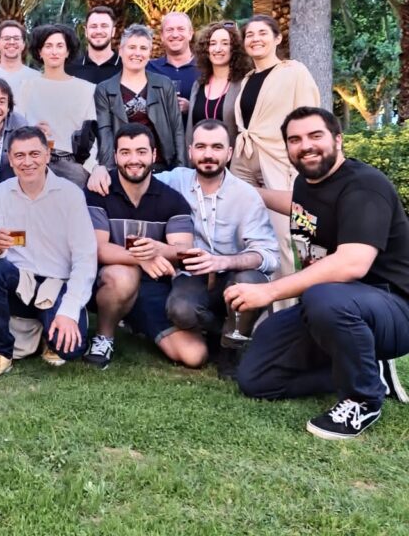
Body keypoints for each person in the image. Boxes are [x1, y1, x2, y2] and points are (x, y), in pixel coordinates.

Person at [228, 108, 409, 439]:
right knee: (257, 379)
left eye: (315, 136)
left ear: (338, 139)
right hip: (334, 306)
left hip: (392, 308)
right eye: (295, 139)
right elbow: (301, 207)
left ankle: (363, 398)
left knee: (322, 296)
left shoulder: (365, 186)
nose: (306, 146)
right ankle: (367, 368)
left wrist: (268, 291)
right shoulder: (306, 183)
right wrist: (247, 192)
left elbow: (352, 263)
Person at [0, 127, 98, 384]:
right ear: (9, 159)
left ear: (47, 155)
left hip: (56, 284)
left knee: (69, 349)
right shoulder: (0, 193)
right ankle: (1, 351)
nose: (27, 162)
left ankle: (52, 329)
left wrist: (68, 311)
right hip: (20, 283)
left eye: (34, 154)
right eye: (19, 155)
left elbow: (85, 258)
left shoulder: (70, 194)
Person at [156, 120, 280, 377]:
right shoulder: (176, 180)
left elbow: (268, 256)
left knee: (249, 282)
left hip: (234, 274)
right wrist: (101, 172)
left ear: (229, 153)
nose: (208, 154)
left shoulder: (246, 195)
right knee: (180, 310)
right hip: (193, 275)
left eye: (217, 147)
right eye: (201, 147)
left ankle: (231, 350)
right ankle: (225, 333)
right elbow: (136, 177)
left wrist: (222, 261)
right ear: (190, 151)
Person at [83, 124, 201, 370]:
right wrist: (141, 258)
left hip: (152, 287)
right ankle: (104, 337)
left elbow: (183, 250)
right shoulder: (98, 192)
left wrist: (157, 250)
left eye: (141, 152)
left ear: (154, 155)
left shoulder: (172, 200)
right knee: (124, 275)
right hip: (107, 281)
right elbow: (98, 248)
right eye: (125, 152)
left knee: (194, 355)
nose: (133, 160)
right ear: (115, 156)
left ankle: (135, 318)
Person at [232, 14, 321, 280]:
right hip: (244, 159)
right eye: (249, 35)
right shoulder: (248, 79)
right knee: (246, 230)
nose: (255, 39)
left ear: (278, 38)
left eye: (262, 33)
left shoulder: (294, 71)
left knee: (291, 235)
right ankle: (255, 298)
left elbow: (309, 116)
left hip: (279, 160)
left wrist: (302, 163)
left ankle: (295, 297)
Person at [91, 24, 186, 188]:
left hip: (162, 169)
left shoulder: (164, 85)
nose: (137, 53)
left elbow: (177, 129)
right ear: (121, 51)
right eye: (132, 47)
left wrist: (181, 170)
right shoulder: (104, 89)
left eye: (143, 48)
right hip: (124, 170)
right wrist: (109, 171)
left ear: (150, 53)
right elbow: (105, 133)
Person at [17, 24, 97, 190]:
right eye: (48, 46)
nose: (54, 51)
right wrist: (32, 131)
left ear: (67, 52)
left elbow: (94, 134)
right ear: (40, 52)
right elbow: (16, 128)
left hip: (71, 164)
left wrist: (89, 168)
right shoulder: (25, 87)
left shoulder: (86, 89)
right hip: (33, 162)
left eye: (60, 46)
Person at [185, 22, 249, 148]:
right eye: (212, 43)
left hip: (233, 158)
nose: (218, 49)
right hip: (200, 158)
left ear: (234, 49)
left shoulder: (244, 84)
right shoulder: (198, 85)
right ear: (206, 49)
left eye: (225, 43)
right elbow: (189, 130)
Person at [148, 11, 198, 118]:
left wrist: (191, 107)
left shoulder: (205, 68)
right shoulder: (149, 68)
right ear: (162, 36)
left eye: (181, 29)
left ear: (190, 34)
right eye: (169, 30)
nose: (175, 35)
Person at [0, 19, 40, 96]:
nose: (12, 42)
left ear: (23, 45)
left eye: (16, 38)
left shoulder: (37, 78)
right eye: (6, 38)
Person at [67, 6, 122, 85]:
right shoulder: (69, 69)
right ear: (86, 31)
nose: (98, 31)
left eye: (104, 26)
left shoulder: (126, 68)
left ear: (113, 31)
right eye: (93, 26)